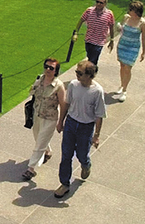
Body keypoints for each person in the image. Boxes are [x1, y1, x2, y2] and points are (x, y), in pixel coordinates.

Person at [54, 60, 106, 198]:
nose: (76, 74)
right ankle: (64, 183)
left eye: (79, 73)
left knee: (82, 154)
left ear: (89, 75)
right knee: (66, 155)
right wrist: (61, 122)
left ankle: (86, 164)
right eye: (76, 72)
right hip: (71, 123)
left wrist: (96, 135)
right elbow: (66, 103)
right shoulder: (73, 85)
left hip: (86, 127)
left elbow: (99, 115)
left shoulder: (97, 91)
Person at [22, 57, 66, 181]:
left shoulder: (59, 86)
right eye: (46, 67)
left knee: (40, 142)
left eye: (51, 68)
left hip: (50, 118)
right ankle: (47, 151)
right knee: (38, 138)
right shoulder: (39, 79)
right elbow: (32, 93)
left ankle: (31, 168)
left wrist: (60, 122)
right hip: (37, 115)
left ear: (56, 70)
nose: (48, 70)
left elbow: (63, 105)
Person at [106, 0, 145, 102]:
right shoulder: (126, 17)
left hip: (133, 48)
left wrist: (143, 52)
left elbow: (144, 38)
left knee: (128, 68)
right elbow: (120, 29)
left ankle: (125, 90)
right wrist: (119, 27)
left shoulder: (143, 23)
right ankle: (122, 84)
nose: (129, 11)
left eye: (131, 10)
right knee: (122, 66)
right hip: (122, 45)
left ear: (137, 11)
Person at [73, 0, 115, 69]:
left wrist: (112, 39)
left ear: (105, 4)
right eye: (97, 2)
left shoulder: (109, 14)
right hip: (89, 40)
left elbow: (111, 27)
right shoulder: (89, 11)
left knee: (92, 61)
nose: (98, 4)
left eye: (101, 3)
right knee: (90, 58)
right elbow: (80, 21)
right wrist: (76, 33)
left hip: (99, 42)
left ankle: (89, 75)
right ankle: (91, 72)